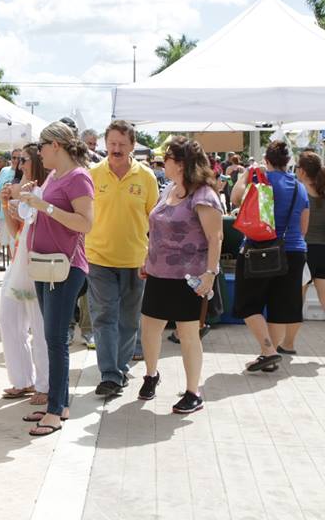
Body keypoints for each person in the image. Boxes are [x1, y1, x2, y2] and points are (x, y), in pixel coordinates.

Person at [18, 121, 94, 437]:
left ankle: (55, 410)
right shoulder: (54, 175)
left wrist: (44, 205)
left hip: (65, 267)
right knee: (51, 336)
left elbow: (85, 223)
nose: (39, 152)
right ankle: (57, 403)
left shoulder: (78, 178)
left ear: (56, 146)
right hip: (45, 266)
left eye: (42, 146)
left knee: (55, 337)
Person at [138, 137, 223, 414]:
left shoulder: (203, 195)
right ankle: (151, 375)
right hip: (158, 273)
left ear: (181, 163)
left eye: (168, 158)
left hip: (190, 278)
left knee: (188, 335)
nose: (164, 162)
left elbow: (215, 236)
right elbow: (158, 230)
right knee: (150, 327)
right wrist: (146, 259)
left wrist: (210, 274)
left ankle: (192, 392)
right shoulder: (170, 189)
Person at [85, 120, 159, 397]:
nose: (116, 149)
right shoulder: (92, 174)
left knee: (128, 320)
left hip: (135, 259)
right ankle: (110, 374)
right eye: (112, 143)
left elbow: (155, 219)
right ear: (105, 143)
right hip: (98, 257)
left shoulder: (147, 177)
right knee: (104, 315)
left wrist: (152, 255)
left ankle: (120, 369)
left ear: (132, 146)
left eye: (122, 145)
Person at [230, 141, 309, 372]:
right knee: (279, 307)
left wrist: (244, 175)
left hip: (258, 250)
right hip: (293, 251)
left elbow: (236, 199)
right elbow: (303, 227)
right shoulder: (299, 187)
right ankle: (269, 358)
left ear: (267, 160)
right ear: (288, 162)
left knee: (247, 303)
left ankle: (268, 350)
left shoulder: (260, 181)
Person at [0, 143, 50, 404]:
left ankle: (44, 385)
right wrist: (6, 202)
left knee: (40, 327)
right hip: (19, 260)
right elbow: (15, 228)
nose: (20, 164)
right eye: (17, 158)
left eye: (24, 159)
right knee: (10, 321)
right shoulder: (21, 188)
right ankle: (22, 380)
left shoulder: (44, 189)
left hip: (38, 263)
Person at [298, 151, 325, 353]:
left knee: (296, 302)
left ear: (303, 171)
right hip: (323, 251)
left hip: (305, 251)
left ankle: (288, 343)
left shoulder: (299, 192)